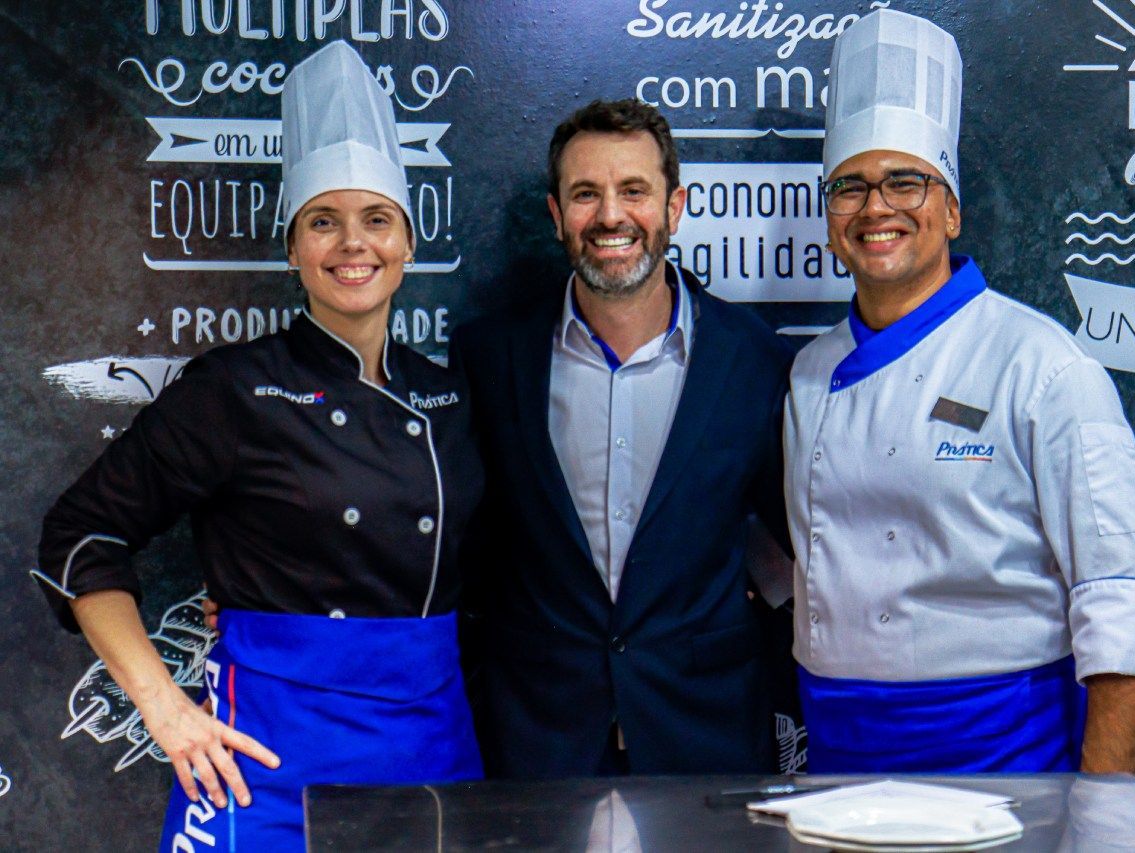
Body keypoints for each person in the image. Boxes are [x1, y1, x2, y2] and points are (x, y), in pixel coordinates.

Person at [33, 41, 482, 850]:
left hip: (432, 755)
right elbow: (80, 537)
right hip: (265, 763)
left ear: (408, 243)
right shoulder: (234, 389)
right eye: (324, 222)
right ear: (291, 249)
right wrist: (166, 707)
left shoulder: (450, 396)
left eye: (376, 219)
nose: (353, 244)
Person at [783, 9, 1135, 774]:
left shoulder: (1042, 365)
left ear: (952, 207)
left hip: (1005, 759)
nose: (877, 208)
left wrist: (1100, 806)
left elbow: (1126, 594)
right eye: (850, 187)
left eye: (906, 181)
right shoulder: (807, 374)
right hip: (840, 758)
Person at [451, 98, 795, 778]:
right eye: (586, 194)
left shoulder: (754, 360)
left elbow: (797, 537)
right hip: (537, 742)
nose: (610, 216)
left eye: (634, 190)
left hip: (707, 740)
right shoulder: (490, 358)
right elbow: (453, 533)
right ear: (556, 217)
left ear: (675, 207)